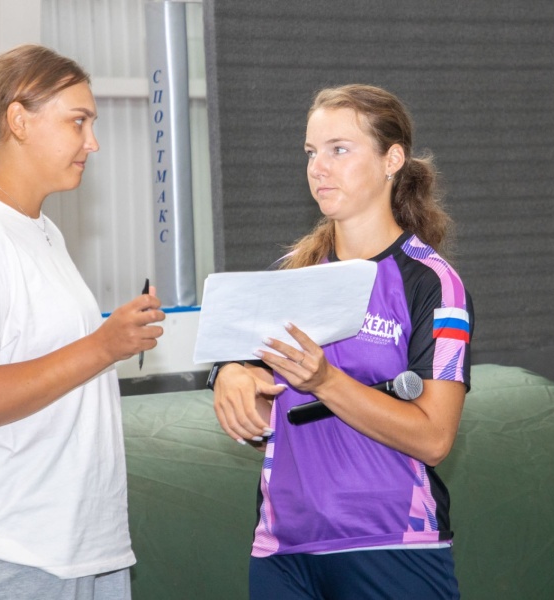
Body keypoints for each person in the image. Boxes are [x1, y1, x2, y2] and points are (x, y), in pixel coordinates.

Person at [0, 44, 164, 600]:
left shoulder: (42, 232)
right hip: (16, 552)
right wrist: (104, 346)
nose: (92, 142)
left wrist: (110, 341)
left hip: (83, 544)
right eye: (78, 122)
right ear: (20, 120)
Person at [208, 84, 473, 599]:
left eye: (339, 149)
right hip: (282, 551)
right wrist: (230, 377)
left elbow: (435, 439)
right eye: (311, 152)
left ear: (391, 160)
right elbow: (256, 400)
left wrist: (326, 382)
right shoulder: (291, 275)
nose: (318, 168)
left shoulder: (433, 284)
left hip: (393, 545)